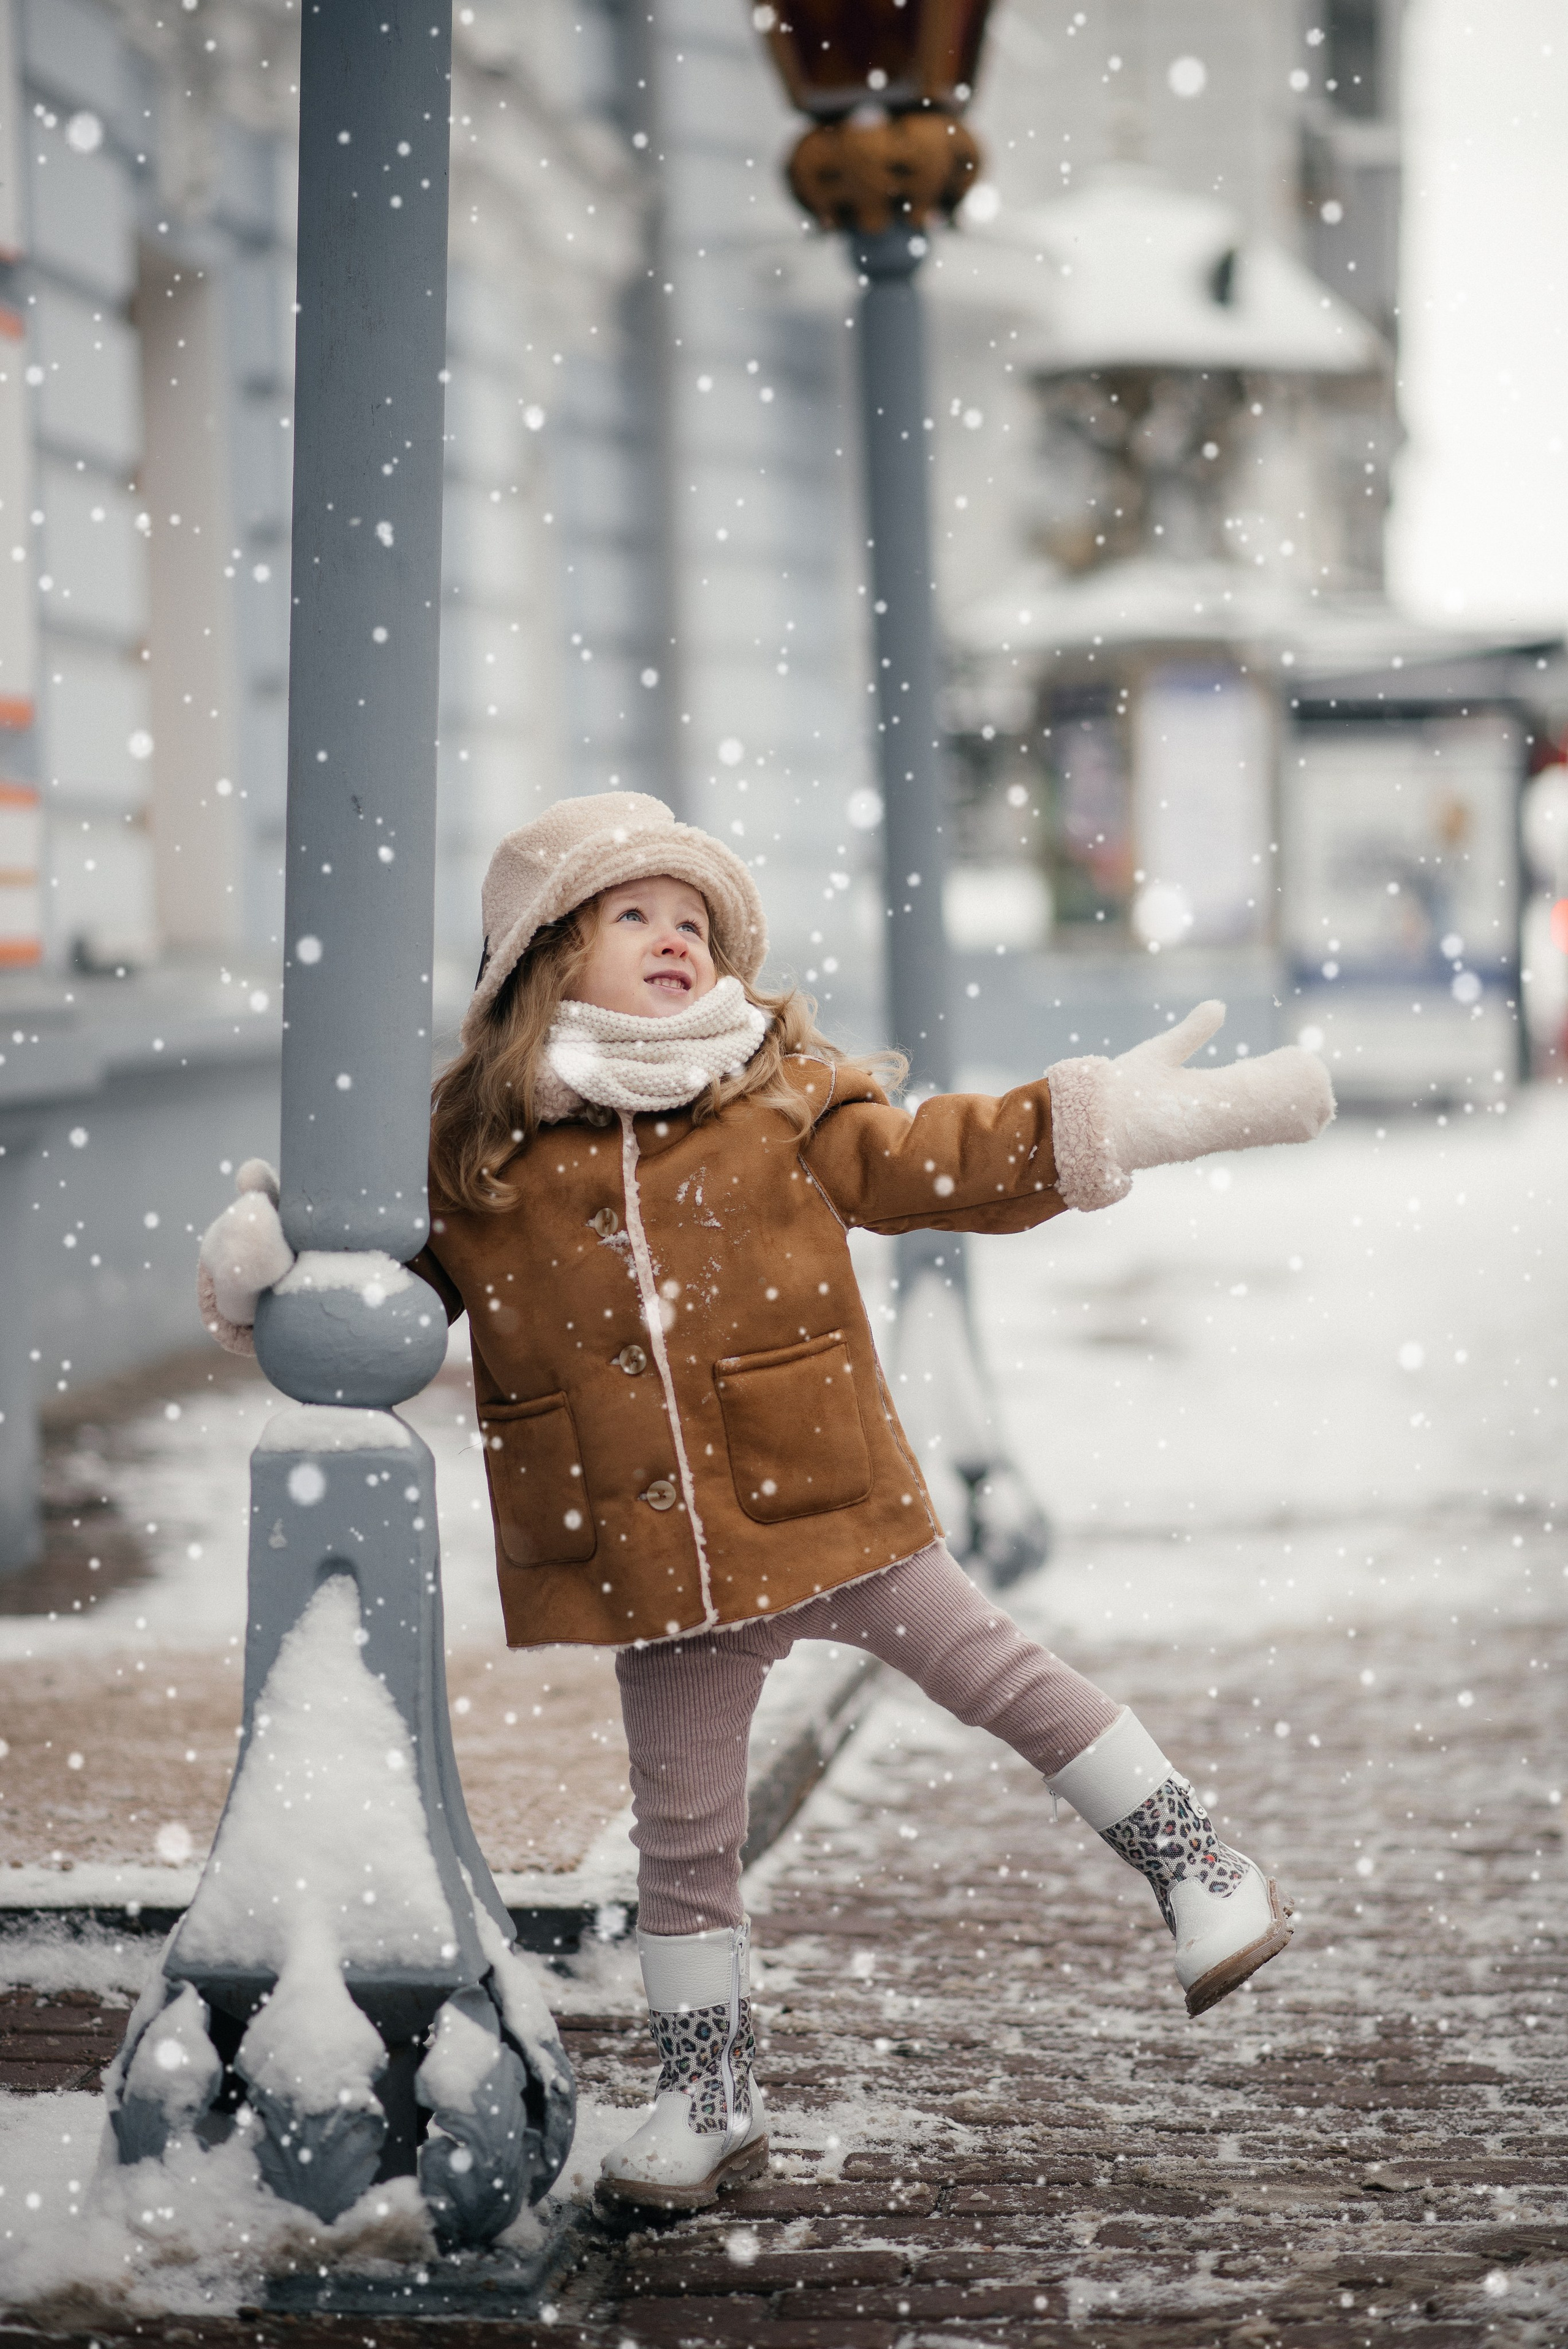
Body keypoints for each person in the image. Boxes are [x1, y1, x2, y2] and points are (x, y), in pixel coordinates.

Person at [199, 791, 1334, 2216]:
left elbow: (937, 1160)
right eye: (634, 917)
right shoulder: (476, 1150)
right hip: (641, 1550)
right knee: (682, 1837)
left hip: (824, 1498)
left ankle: (1203, 1869)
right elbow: (388, 1289)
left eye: (695, 921)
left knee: (1004, 1678)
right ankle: (708, 2090)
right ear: (544, 957)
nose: (675, 940)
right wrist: (277, 1245)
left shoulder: (780, 1090)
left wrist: (1107, 1121)